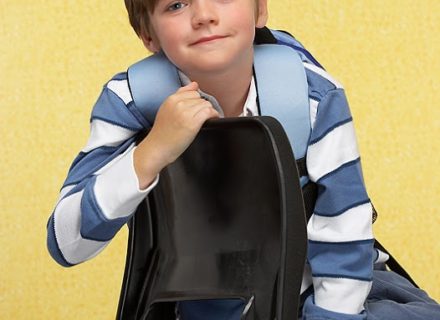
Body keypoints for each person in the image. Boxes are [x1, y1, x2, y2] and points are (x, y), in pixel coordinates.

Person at [46, 0, 440, 319]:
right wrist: (150, 153)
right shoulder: (131, 101)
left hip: (317, 292)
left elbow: (344, 235)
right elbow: (66, 244)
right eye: (177, 5)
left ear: (260, 10)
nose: (204, 16)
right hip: (192, 302)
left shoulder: (313, 96)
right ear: (147, 33)